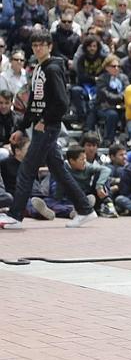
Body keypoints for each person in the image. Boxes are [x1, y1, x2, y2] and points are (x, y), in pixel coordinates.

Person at [0, 29, 97, 229]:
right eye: (34, 45)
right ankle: (85, 209)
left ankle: (15, 216)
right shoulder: (39, 68)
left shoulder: (52, 69)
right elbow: (33, 102)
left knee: (26, 170)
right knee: (58, 170)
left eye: (41, 45)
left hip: (47, 127)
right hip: (39, 126)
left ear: (50, 46)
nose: (37, 48)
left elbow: (62, 102)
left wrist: (46, 119)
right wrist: (22, 126)